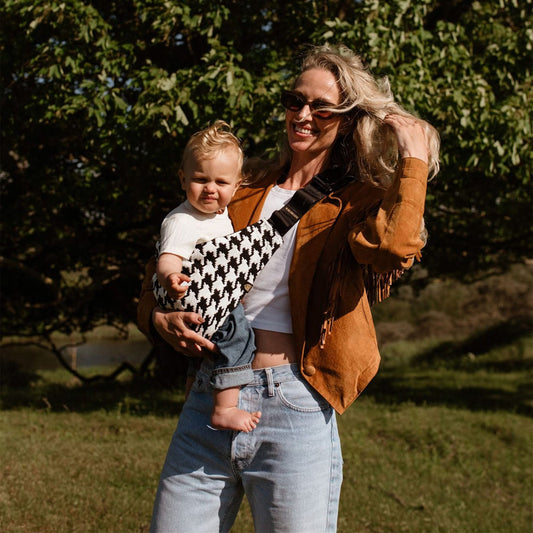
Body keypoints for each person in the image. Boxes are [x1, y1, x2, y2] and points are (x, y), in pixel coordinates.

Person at [137, 43, 440, 532]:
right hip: (211, 396)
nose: (303, 115)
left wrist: (414, 161)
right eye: (294, 101)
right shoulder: (243, 186)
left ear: (347, 118)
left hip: (295, 402)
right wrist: (158, 318)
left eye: (322, 108)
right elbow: (164, 263)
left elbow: (392, 248)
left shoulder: (357, 200)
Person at [153, 120, 261, 433]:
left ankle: (192, 397)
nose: (210, 189)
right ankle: (225, 408)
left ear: (237, 186)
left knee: (200, 355)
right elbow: (168, 258)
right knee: (239, 338)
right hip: (198, 297)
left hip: (207, 300)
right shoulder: (182, 220)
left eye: (221, 182)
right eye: (201, 179)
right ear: (183, 179)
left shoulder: (217, 215)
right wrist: (171, 278)